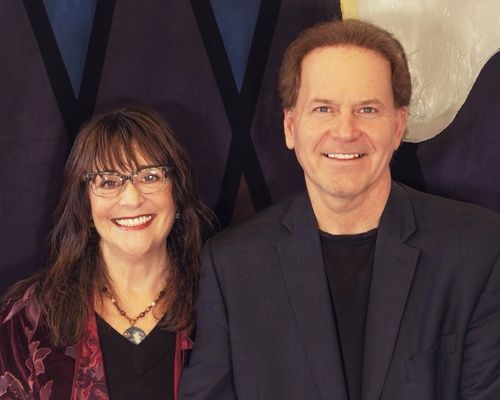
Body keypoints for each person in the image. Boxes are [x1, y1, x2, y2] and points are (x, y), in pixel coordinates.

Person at [179, 19, 500, 399]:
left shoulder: (478, 249)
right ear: (290, 126)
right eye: (323, 109)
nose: (346, 131)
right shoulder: (231, 266)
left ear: (398, 126)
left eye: (367, 109)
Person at [0, 107, 212, 399]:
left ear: (177, 190)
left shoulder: (221, 303)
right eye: (109, 182)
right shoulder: (27, 319)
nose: (132, 199)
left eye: (150, 177)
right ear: (85, 204)